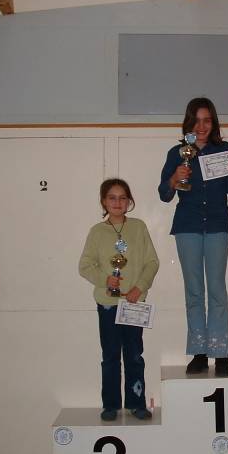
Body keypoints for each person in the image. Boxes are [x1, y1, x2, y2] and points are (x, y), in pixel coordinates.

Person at [158, 97, 228, 376]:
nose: (201, 126)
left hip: (218, 225)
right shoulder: (177, 153)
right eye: (196, 120)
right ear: (188, 122)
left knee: (217, 289)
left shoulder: (224, 149)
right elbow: (164, 194)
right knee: (194, 291)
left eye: (207, 120)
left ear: (213, 122)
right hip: (187, 226)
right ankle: (199, 352)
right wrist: (174, 178)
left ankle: (220, 353)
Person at [79, 178, 159, 421]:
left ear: (129, 201)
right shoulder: (97, 232)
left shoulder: (138, 227)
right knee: (111, 356)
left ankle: (136, 403)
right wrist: (105, 280)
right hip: (107, 304)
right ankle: (111, 405)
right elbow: (85, 266)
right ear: (104, 201)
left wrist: (139, 287)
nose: (117, 202)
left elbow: (152, 262)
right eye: (112, 198)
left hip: (133, 304)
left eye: (122, 197)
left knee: (134, 355)